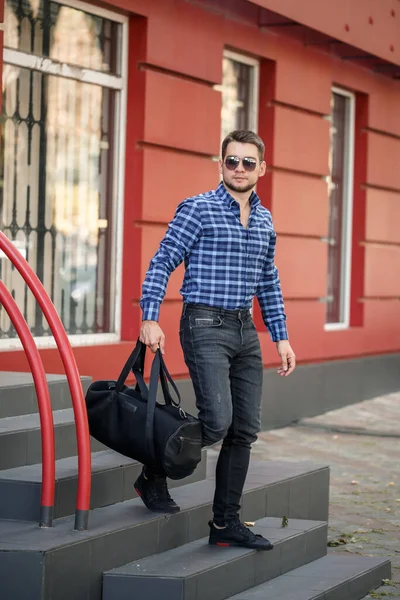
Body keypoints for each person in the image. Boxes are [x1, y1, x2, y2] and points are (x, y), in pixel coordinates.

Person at [135, 130, 296, 550]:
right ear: (220, 164)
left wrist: (281, 337)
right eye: (231, 161)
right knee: (218, 421)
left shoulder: (264, 219)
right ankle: (155, 468)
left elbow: (269, 280)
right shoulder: (198, 210)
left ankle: (225, 524)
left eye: (247, 162)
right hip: (204, 324)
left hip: (245, 330)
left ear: (262, 168)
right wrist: (149, 316)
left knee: (244, 430)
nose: (238, 169)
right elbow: (162, 260)